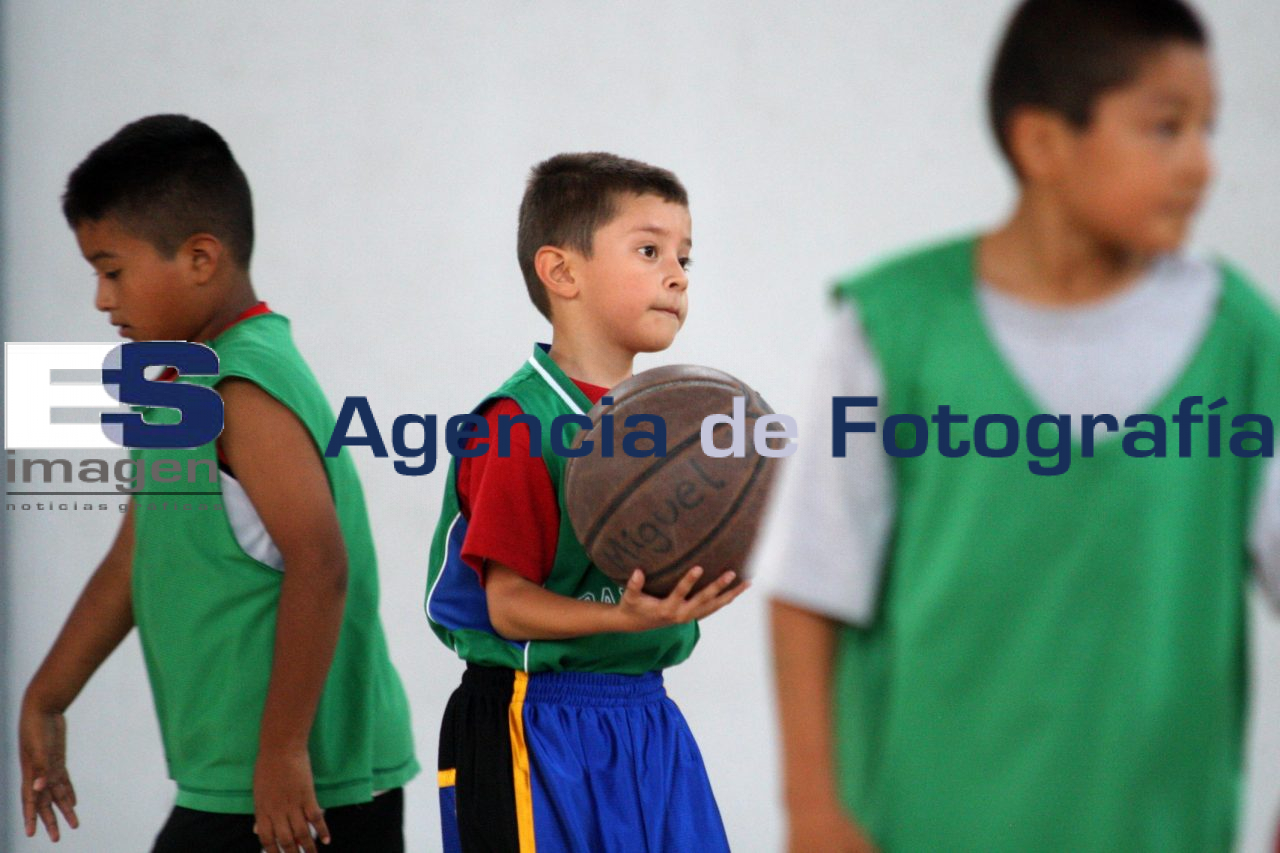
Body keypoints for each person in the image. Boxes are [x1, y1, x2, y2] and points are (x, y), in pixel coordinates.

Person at [754, 2, 1280, 851]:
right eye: (1166, 128)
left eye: (1209, 129)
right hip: (925, 826)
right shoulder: (893, 330)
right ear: (1042, 143)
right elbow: (810, 587)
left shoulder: (1244, 343)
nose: (1202, 165)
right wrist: (814, 814)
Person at [18, 114, 418, 853]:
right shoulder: (179, 384)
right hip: (240, 778)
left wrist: (283, 751)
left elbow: (322, 562)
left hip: (298, 789)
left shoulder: (244, 385)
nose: (103, 300)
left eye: (113, 270)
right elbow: (134, 557)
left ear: (201, 257)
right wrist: (46, 697)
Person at [425, 152, 745, 852]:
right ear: (562, 272)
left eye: (686, 259)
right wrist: (622, 615)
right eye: (650, 250)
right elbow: (507, 606)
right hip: (531, 717)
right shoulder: (516, 422)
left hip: (645, 713)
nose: (677, 275)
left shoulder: (677, 430)